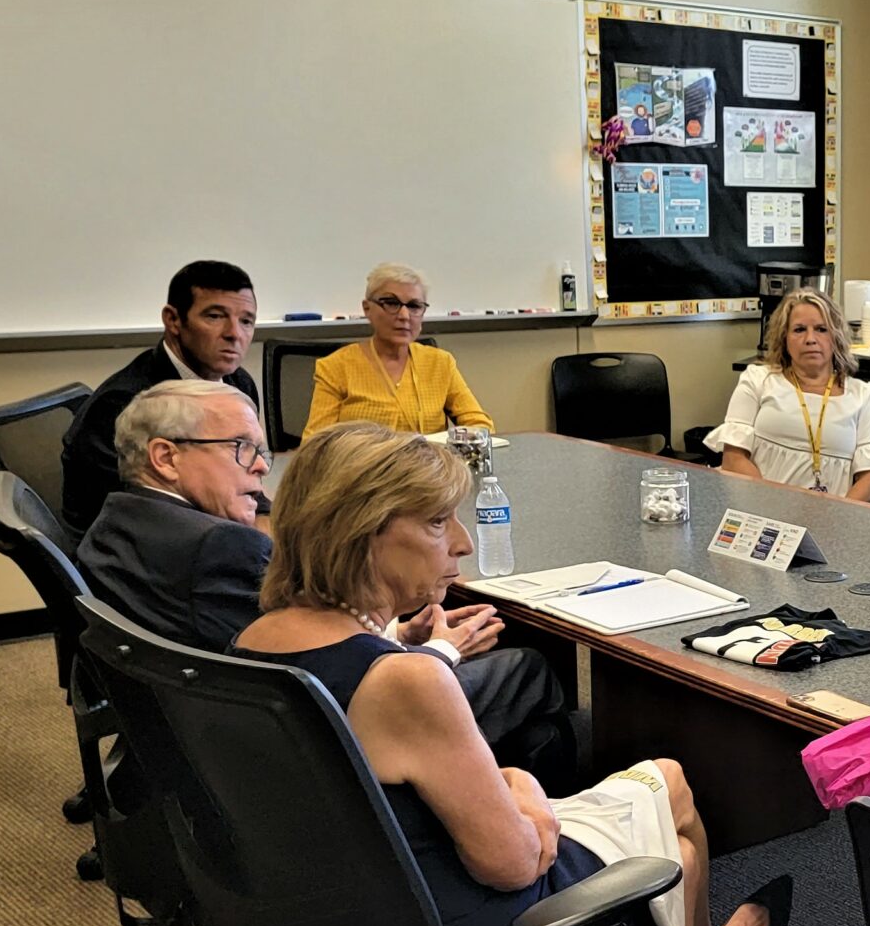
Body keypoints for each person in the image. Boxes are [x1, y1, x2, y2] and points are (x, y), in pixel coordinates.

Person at [232, 422, 788, 926]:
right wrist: (521, 788)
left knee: (663, 793)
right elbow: (515, 865)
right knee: (667, 831)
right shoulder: (403, 684)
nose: (462, 543)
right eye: (438, 523)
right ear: (362, 531)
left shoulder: (255, 643)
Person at [78, 381, 580, 792]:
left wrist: (394, 634)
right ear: (165, 456)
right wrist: (438, 654)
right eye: (242, 449)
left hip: (191, 740)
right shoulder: (220, 547)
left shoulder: (115, 520)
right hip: (310, 760)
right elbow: (309, 673)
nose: (261, 465)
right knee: (528, 667)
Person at [60, 260, 265, 532]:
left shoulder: (238, 383)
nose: (234, 334)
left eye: (246, 321)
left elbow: (244, 480)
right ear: (173, 320)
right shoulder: (123, 405)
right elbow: (137, 518)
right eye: (215, 316)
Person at [706, 289, 870, 500]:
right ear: (784, 338)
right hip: (761, 509)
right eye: (799, 330)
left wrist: (839, 517)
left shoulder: (864, 397)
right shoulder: (757, 380)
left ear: (836, 337)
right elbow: (733, 459)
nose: (810, 339)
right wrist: (773, 507)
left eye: (821, 329)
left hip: (832, 520)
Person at [303, 262, 496, 437]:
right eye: (391, 303)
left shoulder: (440, 363)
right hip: (363, 472)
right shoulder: (335, 367)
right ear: (367, 308)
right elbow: (314, 444)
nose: (404, 315)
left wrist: (467, 439)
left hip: (427, 471)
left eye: (414, 306)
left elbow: (479, 423)